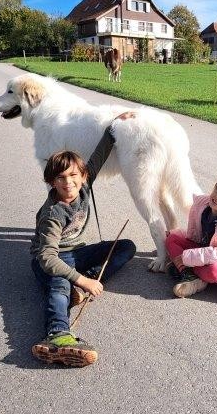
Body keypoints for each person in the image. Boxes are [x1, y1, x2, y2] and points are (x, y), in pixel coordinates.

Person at [30, 112, 136, 367]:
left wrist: (113, 127)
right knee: (60, 287)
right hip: (49, 260)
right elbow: (46, 257)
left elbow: (98, 156)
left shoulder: (84, 187)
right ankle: (57, 336)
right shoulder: (53, 214)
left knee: (125, 247)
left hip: (76, 253)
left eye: (73, 176)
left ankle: (82, 283)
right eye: (61, 178)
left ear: (83, 176)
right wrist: (81, 279)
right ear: (51, 182)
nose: (68, 182)